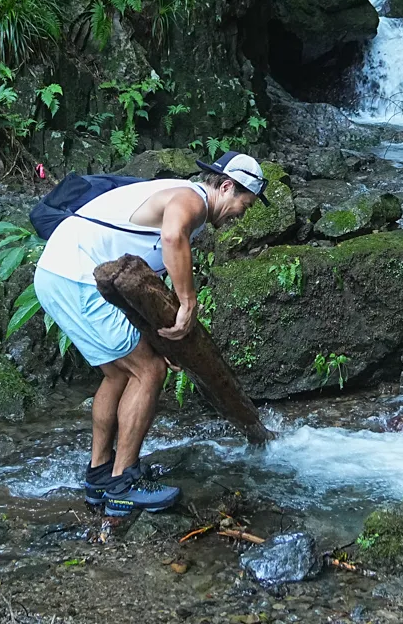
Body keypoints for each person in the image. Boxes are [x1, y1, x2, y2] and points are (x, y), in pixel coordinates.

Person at [32, 150, 267, 517]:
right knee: (149, 370)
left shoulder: (184, 199)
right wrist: (188, 303)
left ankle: (99, 475)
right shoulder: (192, 200)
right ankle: (123, 484)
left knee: (119, 373)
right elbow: (173, 238)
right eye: (245, 204)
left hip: (59, 272)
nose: (242, 214)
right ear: (226, 187)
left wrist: (162, 336)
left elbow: (140, 285)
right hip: (74, 274)